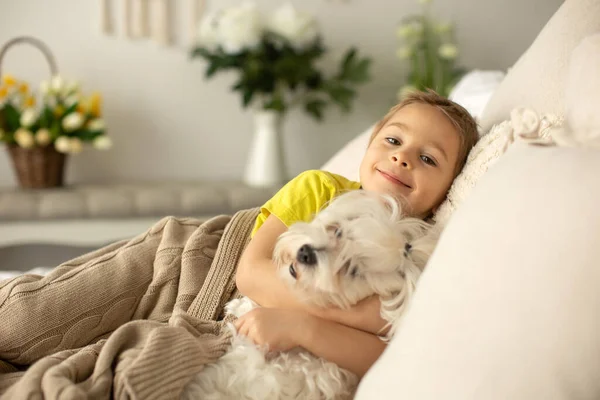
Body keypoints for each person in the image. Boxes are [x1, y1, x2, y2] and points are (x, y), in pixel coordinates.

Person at [234, 89, 479, 378]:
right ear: (370, 143)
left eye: (427, 158)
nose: (401, 156)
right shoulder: (319, 188)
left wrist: (302, 327)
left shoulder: (417, 255)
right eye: (393, 140)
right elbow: (250, 273)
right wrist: (361, 319)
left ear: (450, 187)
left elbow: (389, 355)